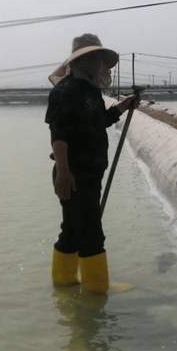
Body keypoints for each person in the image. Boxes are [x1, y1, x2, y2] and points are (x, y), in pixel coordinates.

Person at [46, 34, 139, 293]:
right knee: (91, 231)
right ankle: (97, 291)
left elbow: (100, 121)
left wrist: (123, 106)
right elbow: (59, 135)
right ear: (83, 61)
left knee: (73, 228)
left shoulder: (89, 90)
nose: (102, 65)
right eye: (97, 59)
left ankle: (64, 281)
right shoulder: (65, 92)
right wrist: (63, 172)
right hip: (74, 174)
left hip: (88, 172)